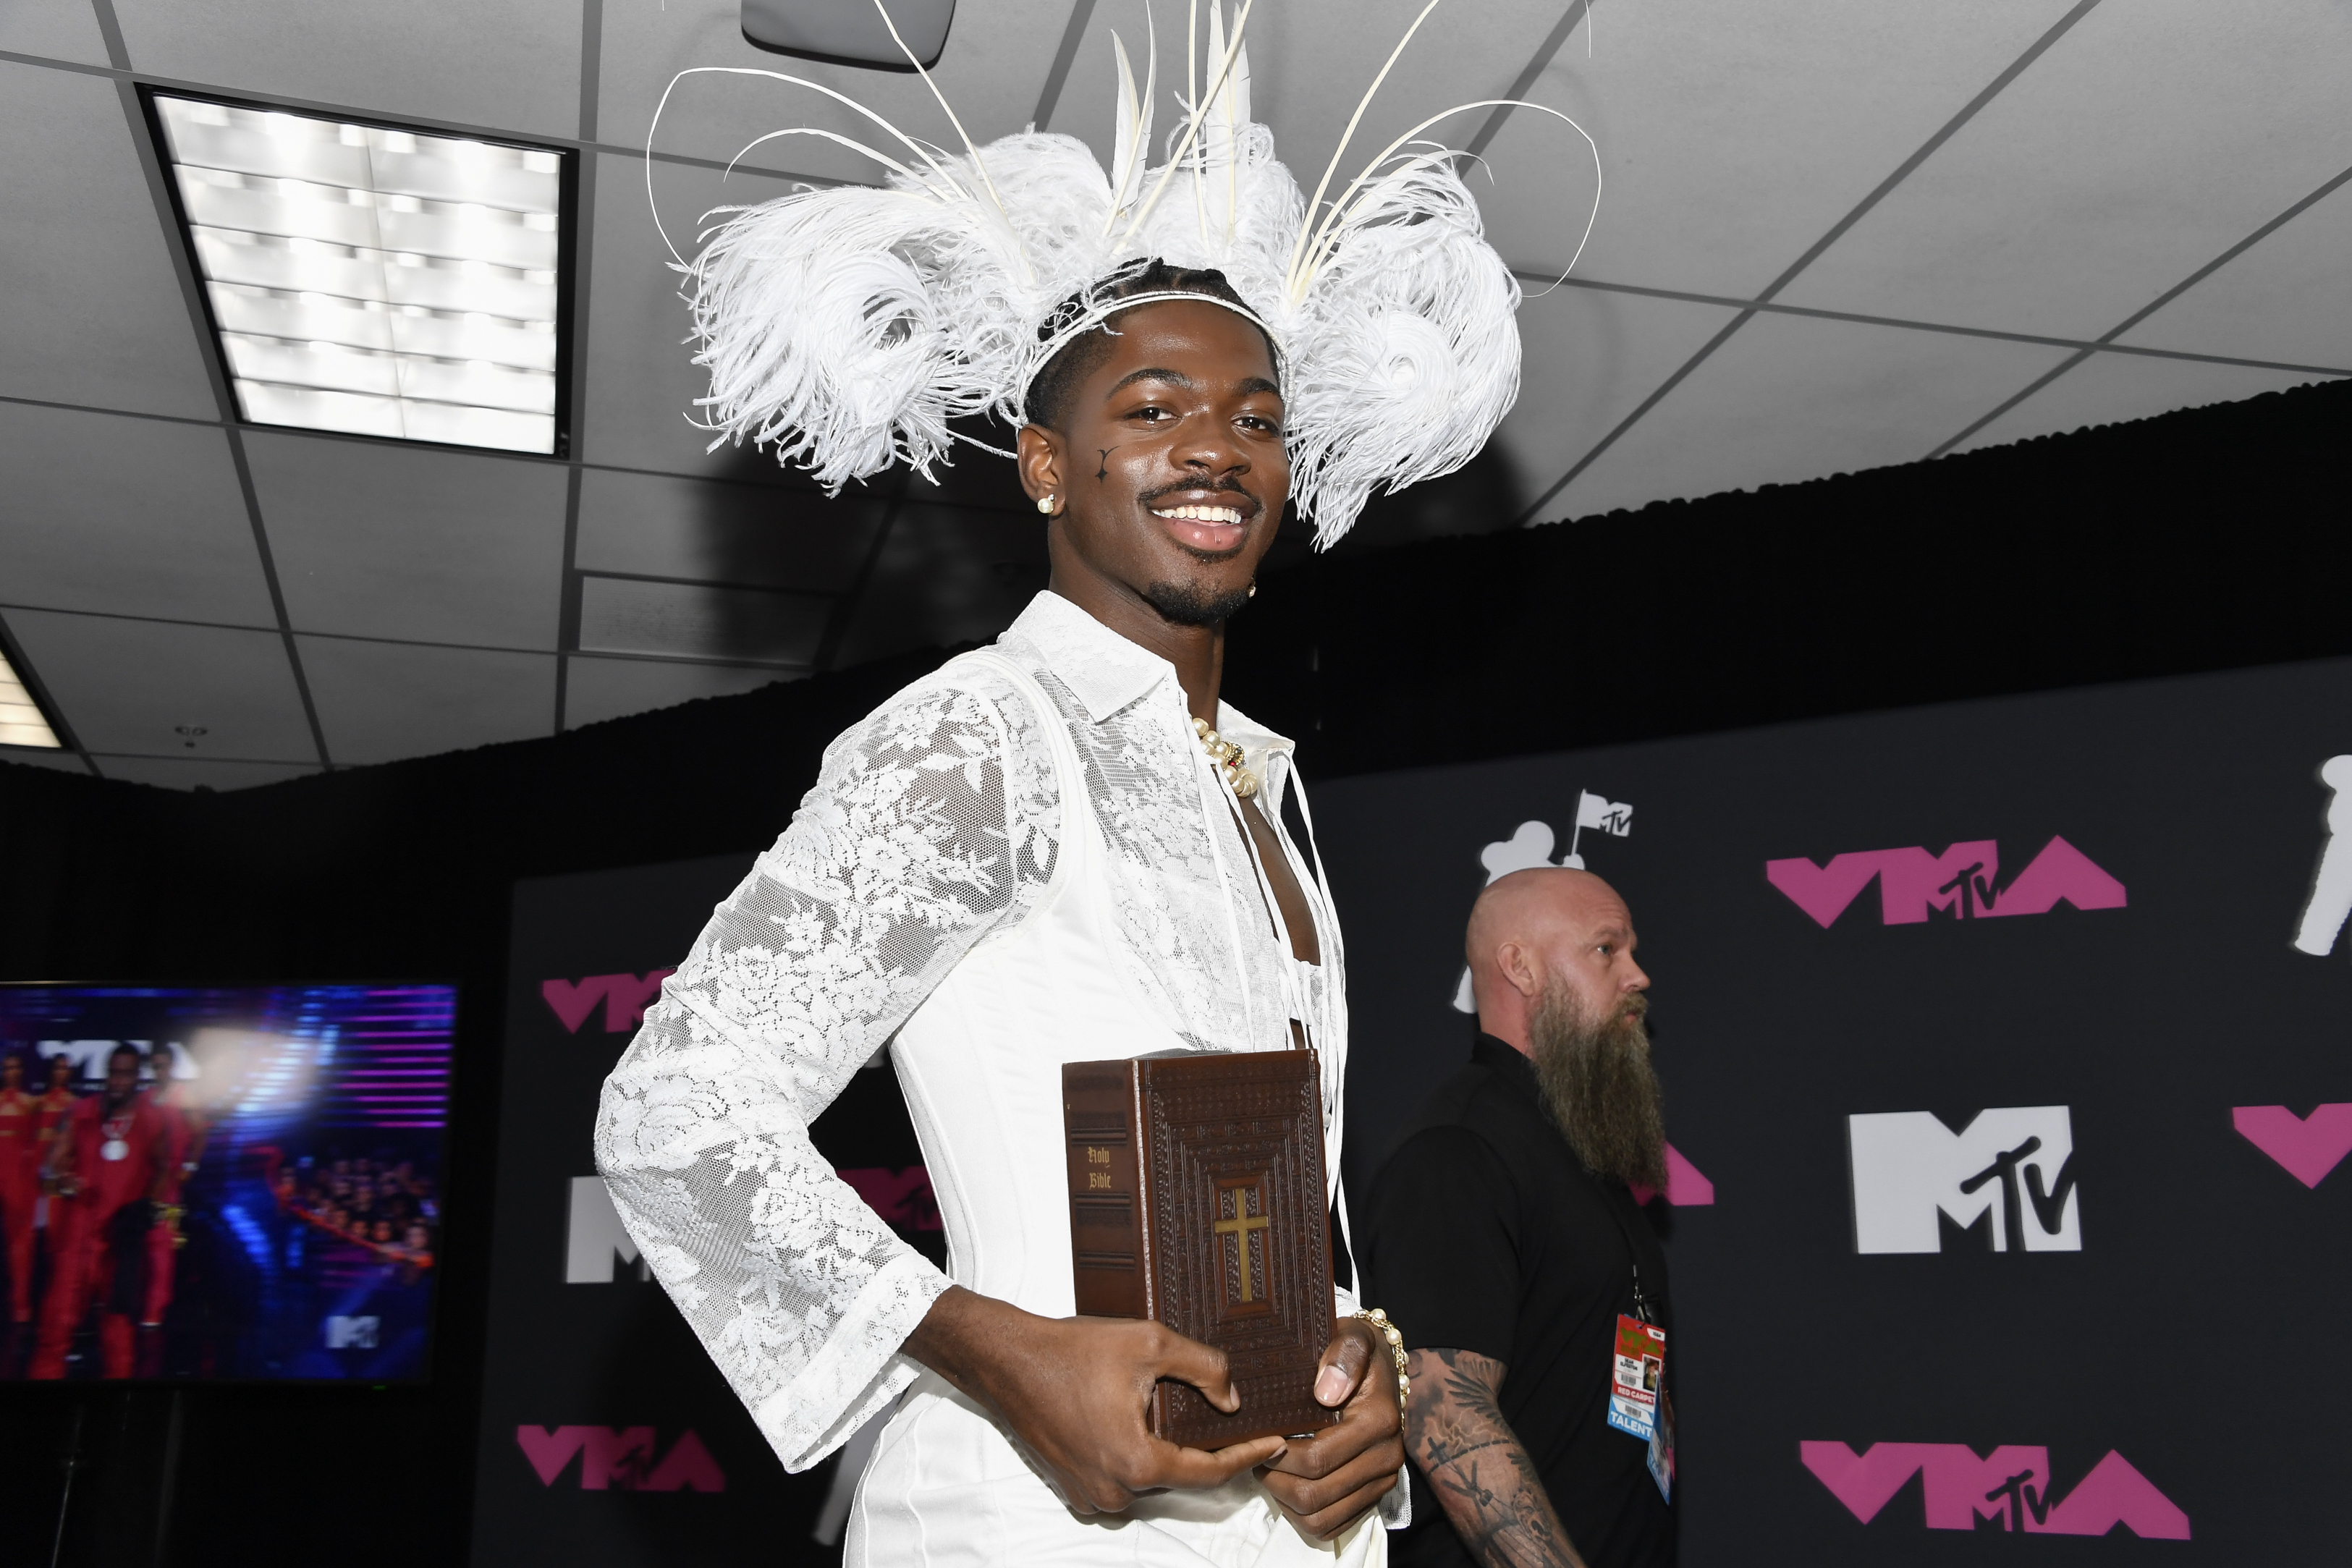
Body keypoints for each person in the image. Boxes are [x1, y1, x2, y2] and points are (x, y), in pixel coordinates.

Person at [595, 4, 1575, 1559]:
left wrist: (1360, 1376)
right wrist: (998, 1352)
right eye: (1153, 409)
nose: (1219, 448)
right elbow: (673, 1112)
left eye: (1256, 418)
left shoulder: (1259, 785)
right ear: (1047, 466)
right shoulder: (979, 735)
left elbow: (1260, 1223)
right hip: (1028, 1522)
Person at [1362, 870, 1676, 1568]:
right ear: (1520, 967)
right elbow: (1447, 1416)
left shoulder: (1576, 1137)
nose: (1637, 975)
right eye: (1607, 949)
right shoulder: (1458, 1148)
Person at [32, 1044, 172, 1378]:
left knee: (118, 1333)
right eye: (113, 1073)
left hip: (120, 1241)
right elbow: (49, 1168)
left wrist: (146, 1206)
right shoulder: (81, 1112)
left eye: (126, 1074)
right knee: (55, 1326)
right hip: (78, 1238)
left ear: (138, 1077)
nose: (118, 1081)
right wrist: (62, 1180)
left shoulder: (153, 1120)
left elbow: (164, 1166)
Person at [0, 1053, 37, 1326]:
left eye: (16, 1067)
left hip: (19, 1177)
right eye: (7, 1068)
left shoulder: (32, 1103)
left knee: (20, 1241)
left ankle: (20, 1302)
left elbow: (37, 1144)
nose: (11, 1072)